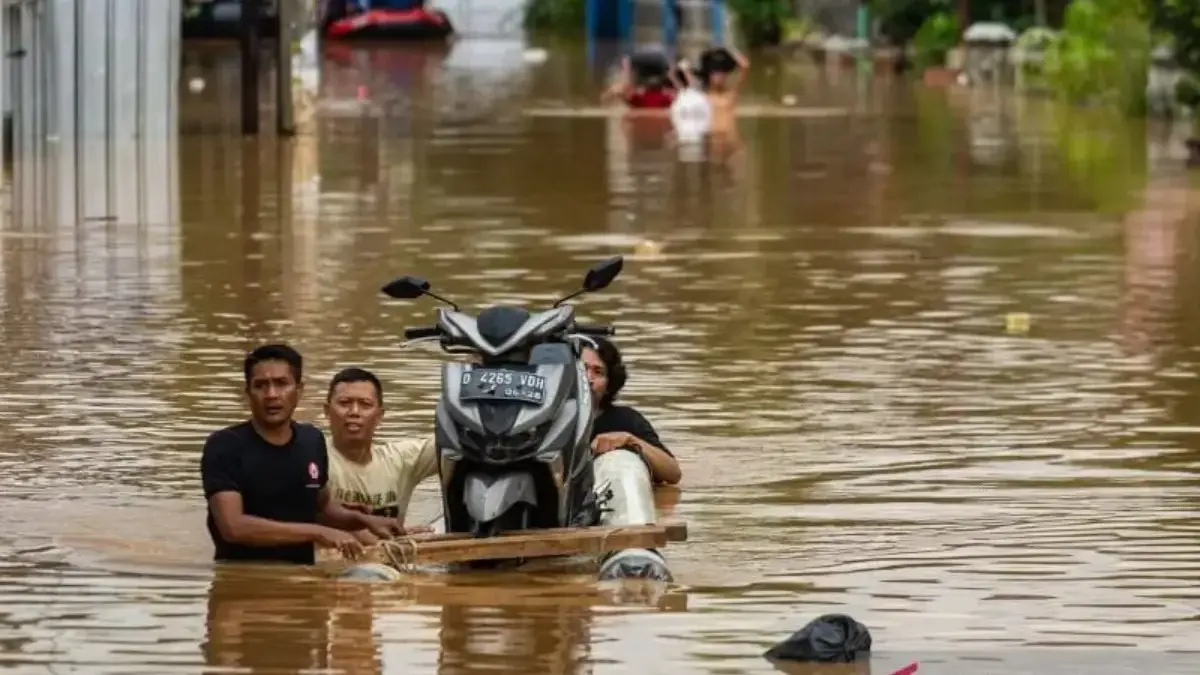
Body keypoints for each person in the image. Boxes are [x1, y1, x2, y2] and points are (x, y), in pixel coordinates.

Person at [201, 344, 420, 566]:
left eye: (281, 383)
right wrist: (317, 532)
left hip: (305, 576)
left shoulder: (311, 440)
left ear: (299, 390)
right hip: (243, 580)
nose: (271, 395)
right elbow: (233, 527)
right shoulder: (225, 446)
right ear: (247, 392)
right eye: (260, 385)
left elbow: (321, 508)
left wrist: (364, 520)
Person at [323, 367, 440, 546]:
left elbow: (454, 441)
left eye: (365, 404)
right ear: (326, 411)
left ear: (379, 416)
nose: (354, 412)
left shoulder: (400, 460)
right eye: (345, 403)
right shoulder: (312, 457)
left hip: (387, 557)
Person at [580, 338, 681, 485]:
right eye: (582, 368)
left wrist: (629, 440)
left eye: (598, 372)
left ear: (609, 384)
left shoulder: (625, 420)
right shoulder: (545, 418)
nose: (588, 378)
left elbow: (673, 473)